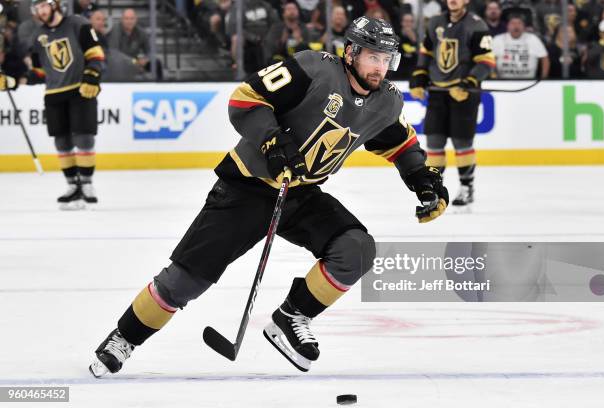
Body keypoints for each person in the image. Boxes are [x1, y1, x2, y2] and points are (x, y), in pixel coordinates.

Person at [88, 16, 448, 377]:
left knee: (356, 249)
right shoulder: (313, 68)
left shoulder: (386, 101)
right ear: (351, 52)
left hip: (301, 193)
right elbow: (245, 98)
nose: (380, 68)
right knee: (185, 281)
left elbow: (401, 143)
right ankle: (124, 337)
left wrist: (423, 180)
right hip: (246, 187)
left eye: (387, 59)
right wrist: (273, 141)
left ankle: (292, 316)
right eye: (373, 57)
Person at [0, 0, 105, 209]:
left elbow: (95, 55)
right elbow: (40, 72)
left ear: (55, 5)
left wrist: (92, 77)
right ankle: (72, 185)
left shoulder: (78, 23)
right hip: (54, 94)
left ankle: (86, 184)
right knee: (62, 142)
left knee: (84, 138)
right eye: (37, 7)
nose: (42, 10)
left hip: (79, 89)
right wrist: (12, 81)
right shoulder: (38, 36)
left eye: (44, 5)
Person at [409, 0, 495, 210]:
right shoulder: (435, 22)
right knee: (435, 143)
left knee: (462, 143)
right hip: (438, 92)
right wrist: (419, 76)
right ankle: (438, 187)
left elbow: (486, 62)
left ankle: (467, 188)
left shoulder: (477, 25)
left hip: (464, 94)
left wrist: (469, 83)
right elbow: (426, 53)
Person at [492, 13, 549, 78]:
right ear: (507, 26)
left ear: (524, 27)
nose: (516, 26)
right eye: (513, 23)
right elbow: (490, 59)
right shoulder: (498, 39)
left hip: (529, 81)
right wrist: (493, 78)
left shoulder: (533, 38)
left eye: (519, 23)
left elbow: (545, 59)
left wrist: (543, 79)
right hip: (503, 81)